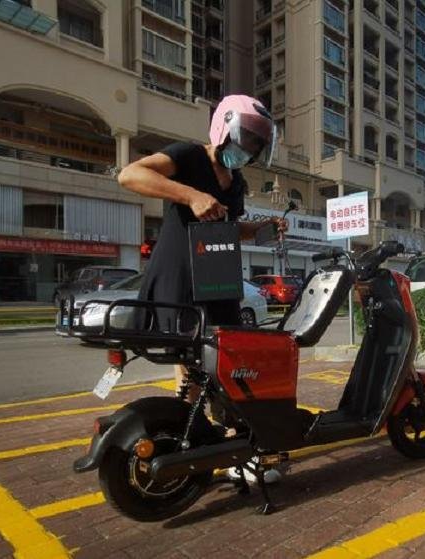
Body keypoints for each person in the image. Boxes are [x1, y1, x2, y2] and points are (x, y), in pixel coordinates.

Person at [117, 95, 286, 481]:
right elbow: (130, 175)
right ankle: (198, 449)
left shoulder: (237, 182)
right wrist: (190, 195)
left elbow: (228, 227)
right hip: (181, 275)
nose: (249, 152)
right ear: (224, 128)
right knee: (190, 366)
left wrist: (261, 227)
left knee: (227, 365)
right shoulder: (188, 157)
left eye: (256, 147)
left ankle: (223, 447)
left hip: (219, 280)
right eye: (246, 142)